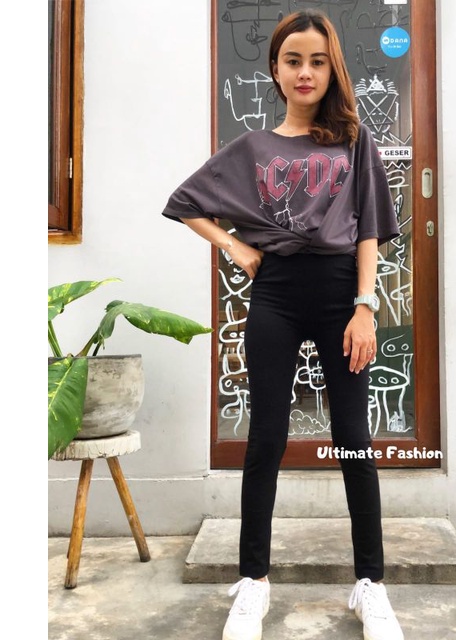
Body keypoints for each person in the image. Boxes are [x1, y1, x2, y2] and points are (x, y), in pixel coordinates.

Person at [162, 9, 404, 640]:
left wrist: (365, 307)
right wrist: (235, 248)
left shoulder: (354, 142)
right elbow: (185, 203)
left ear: (332, 69)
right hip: (275, 293)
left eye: (318, 61)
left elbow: (369, 231)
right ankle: (254, 583)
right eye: (293, 60)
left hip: (340, 292)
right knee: (265, 436)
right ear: (275, 69)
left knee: (353, 437)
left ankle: (370, 585)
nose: (305, 72)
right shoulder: (252, 149)